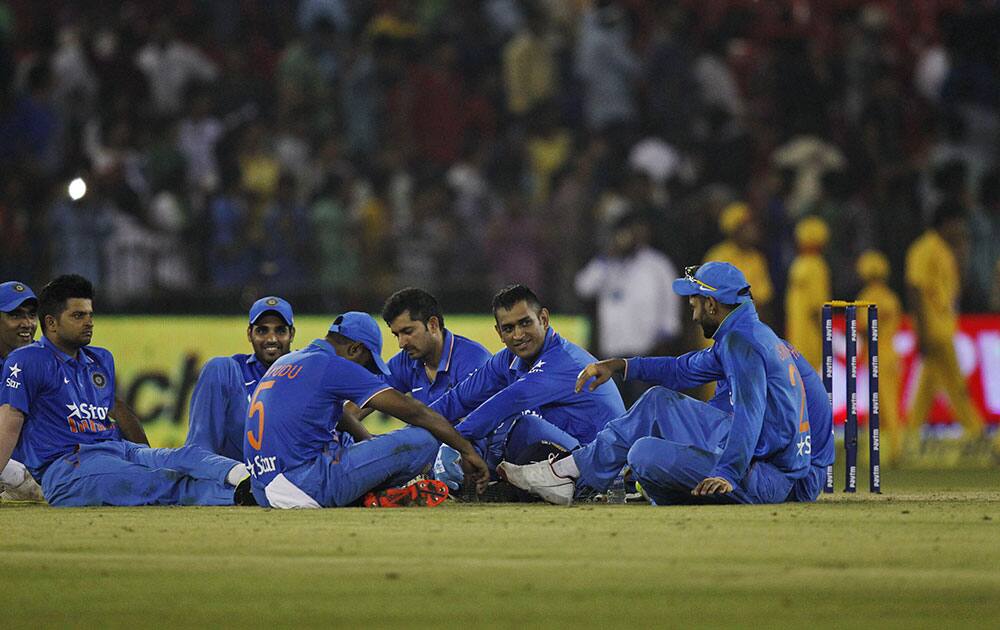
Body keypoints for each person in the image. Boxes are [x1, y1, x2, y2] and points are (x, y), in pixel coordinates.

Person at [499, 263, 812, 506]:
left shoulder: (741, 345)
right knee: (646, 444)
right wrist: (624, 366)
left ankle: (567, 474)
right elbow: (680, 369)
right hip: (769, 469)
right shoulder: (751, 335)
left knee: (651, 429)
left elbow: (749, 415)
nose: (693, 314)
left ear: (713, 306)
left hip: (763, 476)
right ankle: (575, 476)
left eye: (695, 304)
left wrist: (727, 472)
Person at [0, 275, 248, 506]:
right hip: (69, 467)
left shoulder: (100, 359)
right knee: (157, 481)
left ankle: (249, 478)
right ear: (52, 323)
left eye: (90, 314)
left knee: (186, 456)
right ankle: (245, 496)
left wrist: (146, 453)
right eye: (78, 316)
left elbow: (117, 409)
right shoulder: (27, 360)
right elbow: (11, 420)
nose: (89, 322)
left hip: (116, 449)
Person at [240, 311, 489, 508]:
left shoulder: (289, 360)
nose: (368, 372)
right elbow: (415, 412)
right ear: (355, 349)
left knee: (346, 437)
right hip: (307, 484)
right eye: (368, 365)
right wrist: (466, 449)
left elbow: (342, 416)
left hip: (263, 487)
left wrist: (369, 443)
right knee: (423, 438)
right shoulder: (334, 365)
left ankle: (370, 492)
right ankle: (374, 494)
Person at [428, 285, 626, 489]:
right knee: (480, 432)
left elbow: (512, 400)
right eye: (509, 328)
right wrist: (417, 427)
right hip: (565, 458)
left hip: (601, 469)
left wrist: (454, 441)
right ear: (499, 333)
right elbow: (458, 399)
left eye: (525, 323)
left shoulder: (564, 360)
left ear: (544, 319)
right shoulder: (508, 359)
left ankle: (475, 481)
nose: (518, 335)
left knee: (521, 425)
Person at [185, 296, 311, 460]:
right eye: (262, 330)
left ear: (292, 334)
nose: (271, 339)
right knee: (218, 366)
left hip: (292, 468)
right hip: (241, 469)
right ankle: (199, 467)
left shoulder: (307, 369)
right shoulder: (232, 371)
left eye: (280, 330)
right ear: (249, 334)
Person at [575, 212, 682, 405]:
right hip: (611, 352)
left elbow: (670, 302)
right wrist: (606, 259)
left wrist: (666, 336)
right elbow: (583, 287)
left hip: (644, 353)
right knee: (615, 409)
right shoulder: (607, 264)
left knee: (643, 408)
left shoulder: (657, 264)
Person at [905, 201, 986, 446]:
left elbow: (956, 286)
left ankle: (908, 438)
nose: (960, 227)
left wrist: (962, 249)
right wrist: (922, 330)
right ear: (946, 222)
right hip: (933, 327)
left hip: (943, 324)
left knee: (927, 388)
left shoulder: (944, 249)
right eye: (957, 222)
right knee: (955, 384)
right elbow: (914, 288)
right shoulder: (924, 248)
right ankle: (977, 434)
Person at [382, 288, 492, 405]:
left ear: (433, 325)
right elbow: (367, 397)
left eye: (408, 332)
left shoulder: (474, 362)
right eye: (396, 335)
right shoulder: (405, 361)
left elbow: (478, 421)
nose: (401, 344)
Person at [856, 250, 903, 465]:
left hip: (876, 355)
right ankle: (893, 451)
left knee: (876, 405)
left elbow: (865, 329)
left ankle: (881, 452)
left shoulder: (866, 296)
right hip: (892, 353)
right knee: (890, 405)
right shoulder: (891, 296)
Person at [0, 281, 45, 501]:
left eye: (31, 315)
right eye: (15, 315)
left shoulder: (48, 360)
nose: (27, 323)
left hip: (41, 469)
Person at [784, 216, 831, 371]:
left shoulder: (797, 264)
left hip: (796, 329)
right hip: (811, 332)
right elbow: (817, 306)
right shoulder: (817, 265)